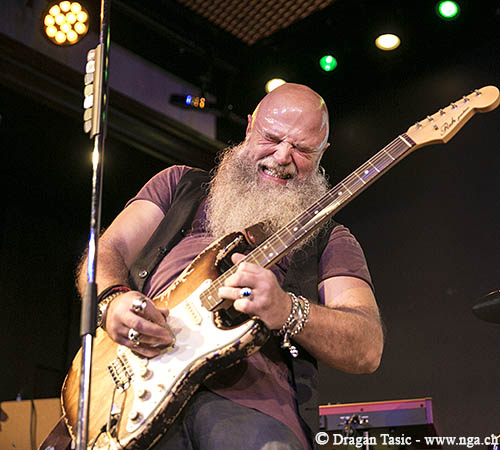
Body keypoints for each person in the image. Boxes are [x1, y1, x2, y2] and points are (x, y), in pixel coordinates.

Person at [77, 83, 384, 450]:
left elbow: (367, 347)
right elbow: (108, 249)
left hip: (249, 407)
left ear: (323, 153)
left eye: (302, 149)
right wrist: (113, 299)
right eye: (272, 138)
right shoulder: (179, 184)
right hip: (131, 386)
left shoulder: (330, 239)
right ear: (250, 126)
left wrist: (286, 309)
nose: (282, 156)